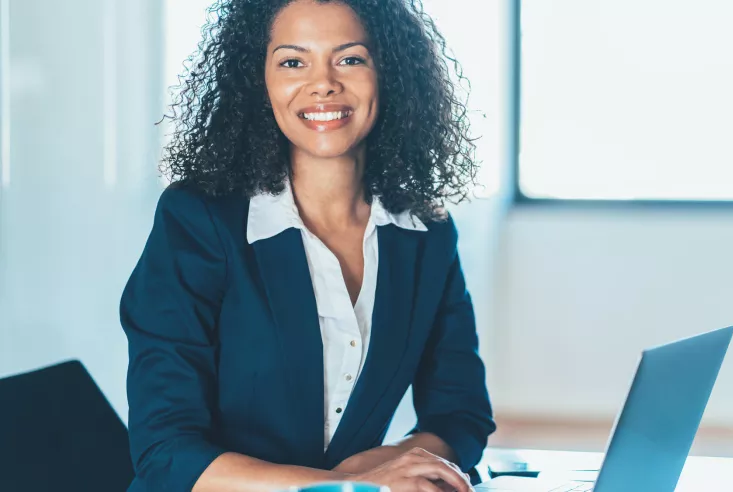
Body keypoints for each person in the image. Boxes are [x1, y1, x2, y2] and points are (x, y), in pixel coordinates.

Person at [119, 0, 495, 491]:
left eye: (350, 58)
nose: (323, 83)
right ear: (260, 81)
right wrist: (340, 486)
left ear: (390, 74)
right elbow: (166, 453)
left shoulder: (424, 233)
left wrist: (386, 473)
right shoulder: (197, 219)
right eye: (293, 61)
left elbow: (460, 413)